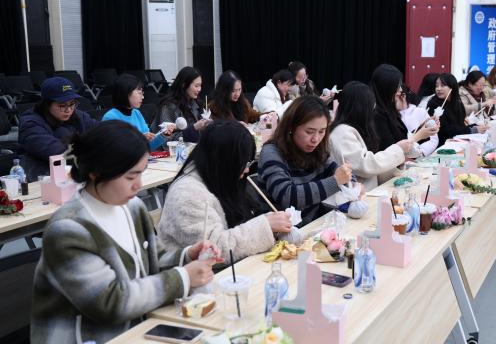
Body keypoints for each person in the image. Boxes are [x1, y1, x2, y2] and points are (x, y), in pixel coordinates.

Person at [30, 121, 223, 344]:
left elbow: (154, 260)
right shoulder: (68, 229)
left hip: (137, 328)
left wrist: (188, 255)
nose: (138, 185)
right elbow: (109, 303)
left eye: (141, 174)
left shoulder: (132, 208)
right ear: (95, 173)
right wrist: (183, 277)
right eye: (130, 177)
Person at [158, 120, 292, 263]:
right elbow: (214, 251)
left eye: (249, 162)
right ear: (225, 161)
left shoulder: (220, 177)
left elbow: (242, 220)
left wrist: (271, 224)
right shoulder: (186, 194)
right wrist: (265, 226)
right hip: (198, 274)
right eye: (244, 163)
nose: (247, 169)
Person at [258, 96, 352, 225]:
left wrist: (350, 181)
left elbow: (336, 171)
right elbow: (287, 196)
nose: (315, 139)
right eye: (309, 131)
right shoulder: (271, 152)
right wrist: (336, 181)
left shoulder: (318, 149)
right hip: (284, 231)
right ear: (291, 127)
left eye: (322, 131)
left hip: (313, 224)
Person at [329, 81, 412, 190]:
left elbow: (372, 175)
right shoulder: (342, 133)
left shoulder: (355, 129)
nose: (373, 109)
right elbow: (365, 166)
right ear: (360, 108)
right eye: (371, 105)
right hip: (354, 198)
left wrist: (397, 163)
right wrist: (398, 150)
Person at [18, 77, 98, 181]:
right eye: (62, 105)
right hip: (43, 178)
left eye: (72, 104)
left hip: (75, 174)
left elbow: (102, 133)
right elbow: (58, 152)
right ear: (47, 104)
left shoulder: (78, 116)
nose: (68, 110)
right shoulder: (30, 124)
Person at [370, 64, 436, 151]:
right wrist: (419, 136)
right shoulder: (377, 115)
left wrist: (424, 127)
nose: (400, 90)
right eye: (397, 87)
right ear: (386, 88)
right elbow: (389, 150)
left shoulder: (390, 110)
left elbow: (402, 137)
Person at [102, 74, 174, 151]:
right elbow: (115, 150)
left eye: (142, 93)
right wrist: (140, 139)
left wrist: (163, 135)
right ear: (126, 93)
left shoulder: (137, 113)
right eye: (139, 93)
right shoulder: (111, 117)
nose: (142, 97)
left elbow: (148, 147)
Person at [427, 73, 487, 146]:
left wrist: (475, 126)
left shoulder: (457, 101)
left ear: (452, 87)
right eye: (436, 86)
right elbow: (445, 131)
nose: (438, 89)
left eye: (442, 85)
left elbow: (459, 126)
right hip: (443, 144)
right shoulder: (433, 104)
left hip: (458, 141)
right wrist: (472, 129)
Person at [152, 67, 209, 143]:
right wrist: (194, 128)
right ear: (184, 84)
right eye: (196, 86)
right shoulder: (169, 107)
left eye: (200, 85)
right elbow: (167, 139)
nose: (199, 89)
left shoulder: (196, 103)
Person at [397, 84, 440, 156]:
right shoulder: (392, 117)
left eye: (395, 98)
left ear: (403, 96)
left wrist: (422, 152)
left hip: (422, 157)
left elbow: (433, 138)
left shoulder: (420, 112)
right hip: (402, 157)